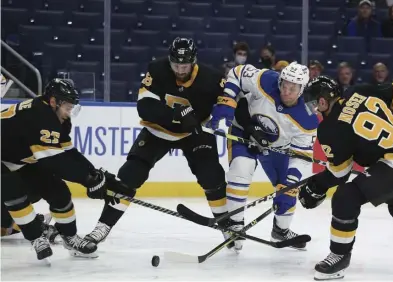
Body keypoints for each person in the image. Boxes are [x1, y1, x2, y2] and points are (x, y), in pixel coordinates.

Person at [299, 76, 393, 280]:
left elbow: (340, 173)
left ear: (323, 101)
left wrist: (316, 186)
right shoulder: (359, 90)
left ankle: (339, 256)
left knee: (346, 197)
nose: (313, 107)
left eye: (312, 102)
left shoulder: (329, 129)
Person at [84, 37, 229, 245]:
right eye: (176, 65)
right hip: (159, 130)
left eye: (185, 65)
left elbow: (231, 102)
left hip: (195, 132)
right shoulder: (157, 69)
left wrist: (233, 118)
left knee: (212, 176)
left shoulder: (212, 78)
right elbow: (144, 106)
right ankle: (103, 226)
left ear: (193, 62)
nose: (180, 69)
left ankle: (228, 228)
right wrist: (178, 115)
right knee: (130, 174)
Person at [1, 78, 128, 261]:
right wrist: (87, 180)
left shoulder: (58, 118)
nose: (69, 112)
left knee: (58, 190)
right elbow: (52, 162)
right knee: (13, 191)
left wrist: (95, 174)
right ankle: (36, 237)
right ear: (53, 102)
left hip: (17, 161)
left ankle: (70, 238)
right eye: (67, 107)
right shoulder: (40, 115)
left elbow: (69, 153)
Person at [208, 62, 318, 251]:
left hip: (277, 147)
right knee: (241, 169)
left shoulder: (307, 117)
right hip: (244, 132)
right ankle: (235, 224)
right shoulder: (267, 80)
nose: (286, 91)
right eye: (284, 85)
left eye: (293, 88)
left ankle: (281, 230)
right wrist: (228, 100)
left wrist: (290, 182)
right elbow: (237, 72)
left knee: (289, 189)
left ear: (302, 89)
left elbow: (302, 155)